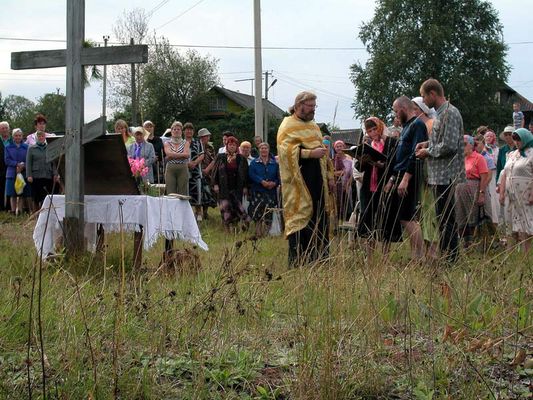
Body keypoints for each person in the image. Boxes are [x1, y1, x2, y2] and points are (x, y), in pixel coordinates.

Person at [277, 91, 334, 266]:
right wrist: (310, 153)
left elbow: (324, 154)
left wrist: (330, 175)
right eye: (310, 106)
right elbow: (285, 152)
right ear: (299, 105)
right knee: (301, 218)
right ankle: (299, 261)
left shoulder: (314, 126)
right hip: (299, 181)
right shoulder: (287, 125)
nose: (313, 110)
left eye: (314, 106)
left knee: (319, 217)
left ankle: (320, 260)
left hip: (318, 180)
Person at [416, 78, 465, 263]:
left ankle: (451, 259)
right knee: (442, 219)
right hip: (438, 176)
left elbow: (450, 146)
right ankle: (448, 256)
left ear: (433, 94)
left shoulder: (450, 113)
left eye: (423, 96)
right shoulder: (441, 114)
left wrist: (427, 152)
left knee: (446, 220)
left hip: (447, 175)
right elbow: (441, 141)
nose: (423, 100)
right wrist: (426, 144)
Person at [355, 117, 401, 260]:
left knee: (386, 219)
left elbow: (396, 166)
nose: (373, 132)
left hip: (385, 186)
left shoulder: (392, 143)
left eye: (375, 129)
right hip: (369, 187)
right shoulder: (367, 144)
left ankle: (385, 257)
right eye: (369, 130)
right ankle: (368, 256)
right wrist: (363, 161)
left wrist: (389, 177)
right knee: (368, 219)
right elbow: (359, 167)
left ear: (380, 127)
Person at [389, 95, 426, 259]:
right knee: (404, 217)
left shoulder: (417, 125)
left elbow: (415, 154)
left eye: (397, 112)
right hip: (399, 175)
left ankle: (422, 255)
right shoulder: (406, 127)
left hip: (408, 176)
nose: (396, 115)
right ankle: (415, 255)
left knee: (407, 217)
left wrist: (405, 178)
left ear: (403, 109)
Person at [411, 97, 439, 259]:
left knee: (431, 213)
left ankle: (433, 252)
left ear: (421, 109)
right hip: (422, 174)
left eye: (414, 108)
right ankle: (427, 250)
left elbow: (437, 149)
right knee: (423, 213)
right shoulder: (419, 125)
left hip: (430, 174)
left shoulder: (432, 123)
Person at [498, 128, 533, 253]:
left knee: (526, 222)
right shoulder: (512, 154)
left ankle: (526, 252)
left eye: (519, 139)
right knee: (511, 221)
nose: (517, 141)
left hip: (525, 193)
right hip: (511, 194)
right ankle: (511, 251)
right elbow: (504, 173)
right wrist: (501, 192)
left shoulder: (531, 153)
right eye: (515, 139)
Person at [455, 135, 491, 248]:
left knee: (474, 216)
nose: (462, 147)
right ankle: (466, 244)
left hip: (474, 191)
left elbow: (484, 177)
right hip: (460, 193)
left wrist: (481, 193)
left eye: (464, 144)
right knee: (462, 217)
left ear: (471, 145)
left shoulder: (478, 158)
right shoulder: (460, 159)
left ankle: (479, 244)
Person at [213, 136, 251, 230]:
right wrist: (215, 184)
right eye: (230, 144)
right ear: (227, 146)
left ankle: (235, 227)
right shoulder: (220, 157)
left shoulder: (241, 158)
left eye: (234, 145)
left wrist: (246, 186)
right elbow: (215, 172)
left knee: (237, 206)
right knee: (225, 207)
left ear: (237, 146)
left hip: (237, 187)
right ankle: (226, 228)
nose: (232, 146)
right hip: (223, 186)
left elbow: (246, 174)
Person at [248, 142, 280, 237]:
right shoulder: (254, 162)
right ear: (259, 150)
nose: (264, 150)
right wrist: (261, 181)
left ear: (268, 150)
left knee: (269, 212)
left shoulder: (274, 163)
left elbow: (278, 177)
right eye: (261, 148)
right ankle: (258, 232)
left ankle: (266, 233)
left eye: (265, 148)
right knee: (257, 212)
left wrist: (274, 183)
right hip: (258, 191)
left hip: (270, 192)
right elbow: (251, 174)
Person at [26, 131, 60, 211]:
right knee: (36, 197)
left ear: (44, 137)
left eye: (42, 136)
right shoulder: (31, 148)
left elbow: (53, 163)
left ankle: (45, 213)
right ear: (37, 138)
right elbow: (28, 163)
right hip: (36, 176)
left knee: (46, 197)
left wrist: (55, 174)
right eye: (39, 136)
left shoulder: (49, 148)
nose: (41, 138)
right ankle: (36, 214)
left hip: (47, 175)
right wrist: (29, 175)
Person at [5, 128, 31, 214]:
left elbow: (29, 159)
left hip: (23, 172)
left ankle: (20, 211)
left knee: (21, 193)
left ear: (22, 136)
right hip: (12, 172)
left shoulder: (26, 147)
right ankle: (12, 211)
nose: (18, 137)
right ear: (13, 137)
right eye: (16, 135)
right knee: (12, 193)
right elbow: (7, 160)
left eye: (19, 135)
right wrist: (17, 164)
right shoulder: (8, 147)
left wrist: (23, 165)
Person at [475, 133, 499, 226]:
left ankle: (492, 227)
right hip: (478, 185)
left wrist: (483, 188)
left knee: (490, 207)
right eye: (475, 144)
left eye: (478, 144)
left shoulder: (487, 157)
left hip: (487, 185)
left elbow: (489, 176)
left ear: (483, 144)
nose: (476, 147)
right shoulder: (474, 156)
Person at [183, 122, 205, 221]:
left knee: (197, 192)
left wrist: (195, 163)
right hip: (184, 170)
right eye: (187, 129)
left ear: (193, 131)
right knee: (186, 192)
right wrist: (187, 164)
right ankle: (188, 214)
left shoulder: (197, 142)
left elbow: (202, 155)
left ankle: (199, 212)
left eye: (191, 129)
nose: (189, 131)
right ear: (184, 131)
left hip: (196, 171)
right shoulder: (181, 142)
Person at [164, 121, 190, 195]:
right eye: (174, 129)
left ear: (181, 131)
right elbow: (168, 153)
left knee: (183, 191)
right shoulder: (167, 143)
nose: (176, 131)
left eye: (178, 129)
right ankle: (172, 207)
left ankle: (182, 207)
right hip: (170, 169)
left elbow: (187, 155)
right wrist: (181, 155)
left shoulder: (186, 143)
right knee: (170, 191)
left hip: (183, 168)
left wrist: (172, 156)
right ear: (171, 131)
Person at [198, 128, 217, 219]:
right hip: (197, 172)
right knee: (198, 192)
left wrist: (207, 169)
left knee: (208, 192)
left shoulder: (210, 147)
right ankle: (198, 212)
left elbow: (214, 160)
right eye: (206, 136)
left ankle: (205, 212)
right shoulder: (196, 146)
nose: (208, 138)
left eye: (208, 136)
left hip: (208, 173)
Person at [332, 140, 353, 222]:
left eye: (340, 146)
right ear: (334, 148)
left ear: (344, 147)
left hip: (347, 187)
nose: (339, 148)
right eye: (337, 146)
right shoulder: (333, 160)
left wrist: (347, 184)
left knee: (347, 206)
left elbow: (352, 175)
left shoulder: (349, 161)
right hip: (336, 187)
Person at [1, 121, 13, 211]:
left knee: (10, 187)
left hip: (11, 167)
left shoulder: (13, 140)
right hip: (0, 168)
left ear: (9, 129)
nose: (4, 130)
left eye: (6, 128)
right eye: (2, 128)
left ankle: (9, 208)